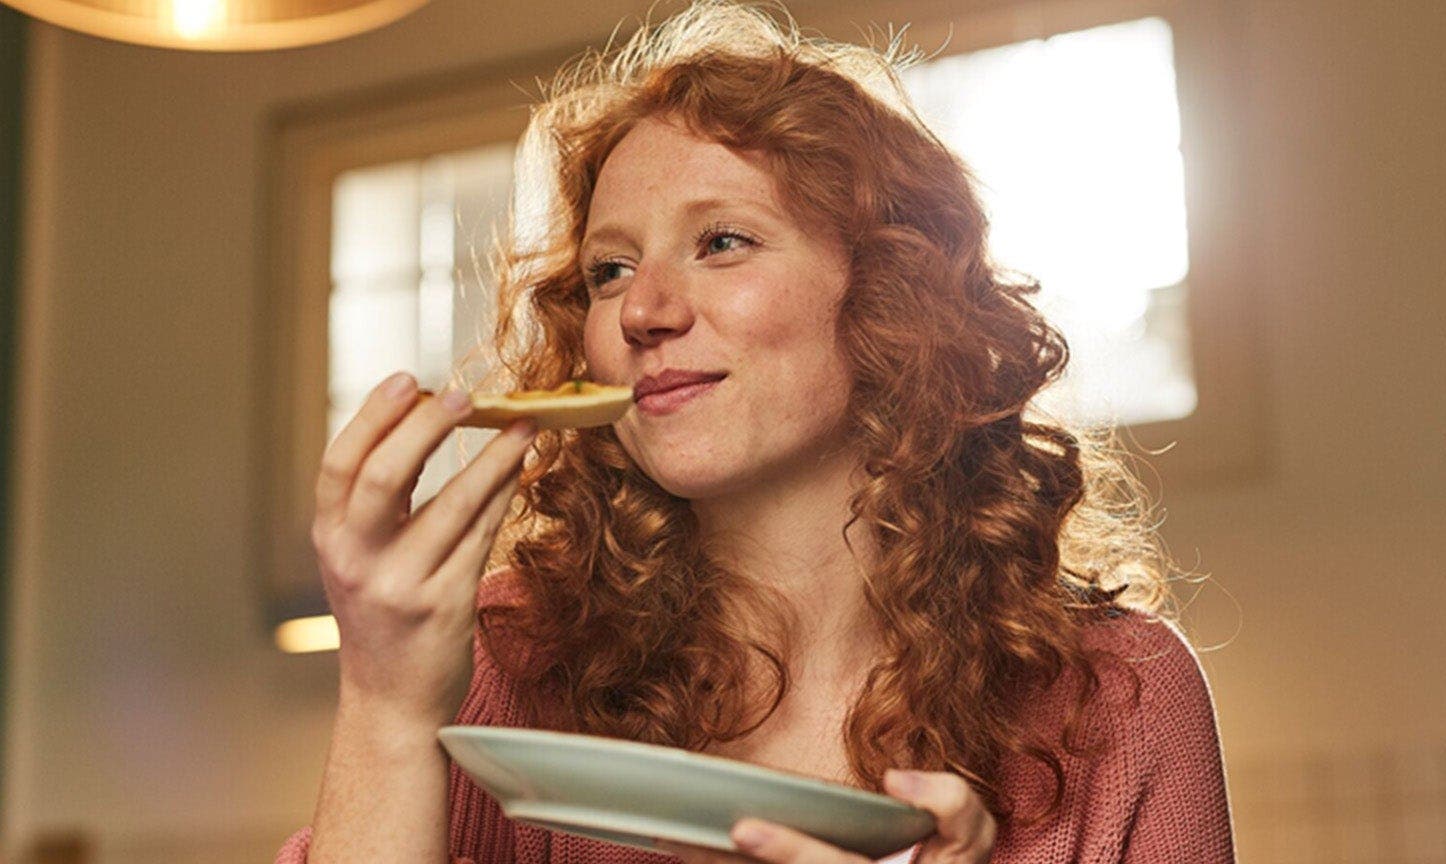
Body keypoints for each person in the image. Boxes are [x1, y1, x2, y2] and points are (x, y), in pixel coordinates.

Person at [277, 2, 1235, 862]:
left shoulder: (1122, 698)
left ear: (891, 291)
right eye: (609, 270)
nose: (642, 311)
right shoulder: (503, 663)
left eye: (721, 241)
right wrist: (388, 707)